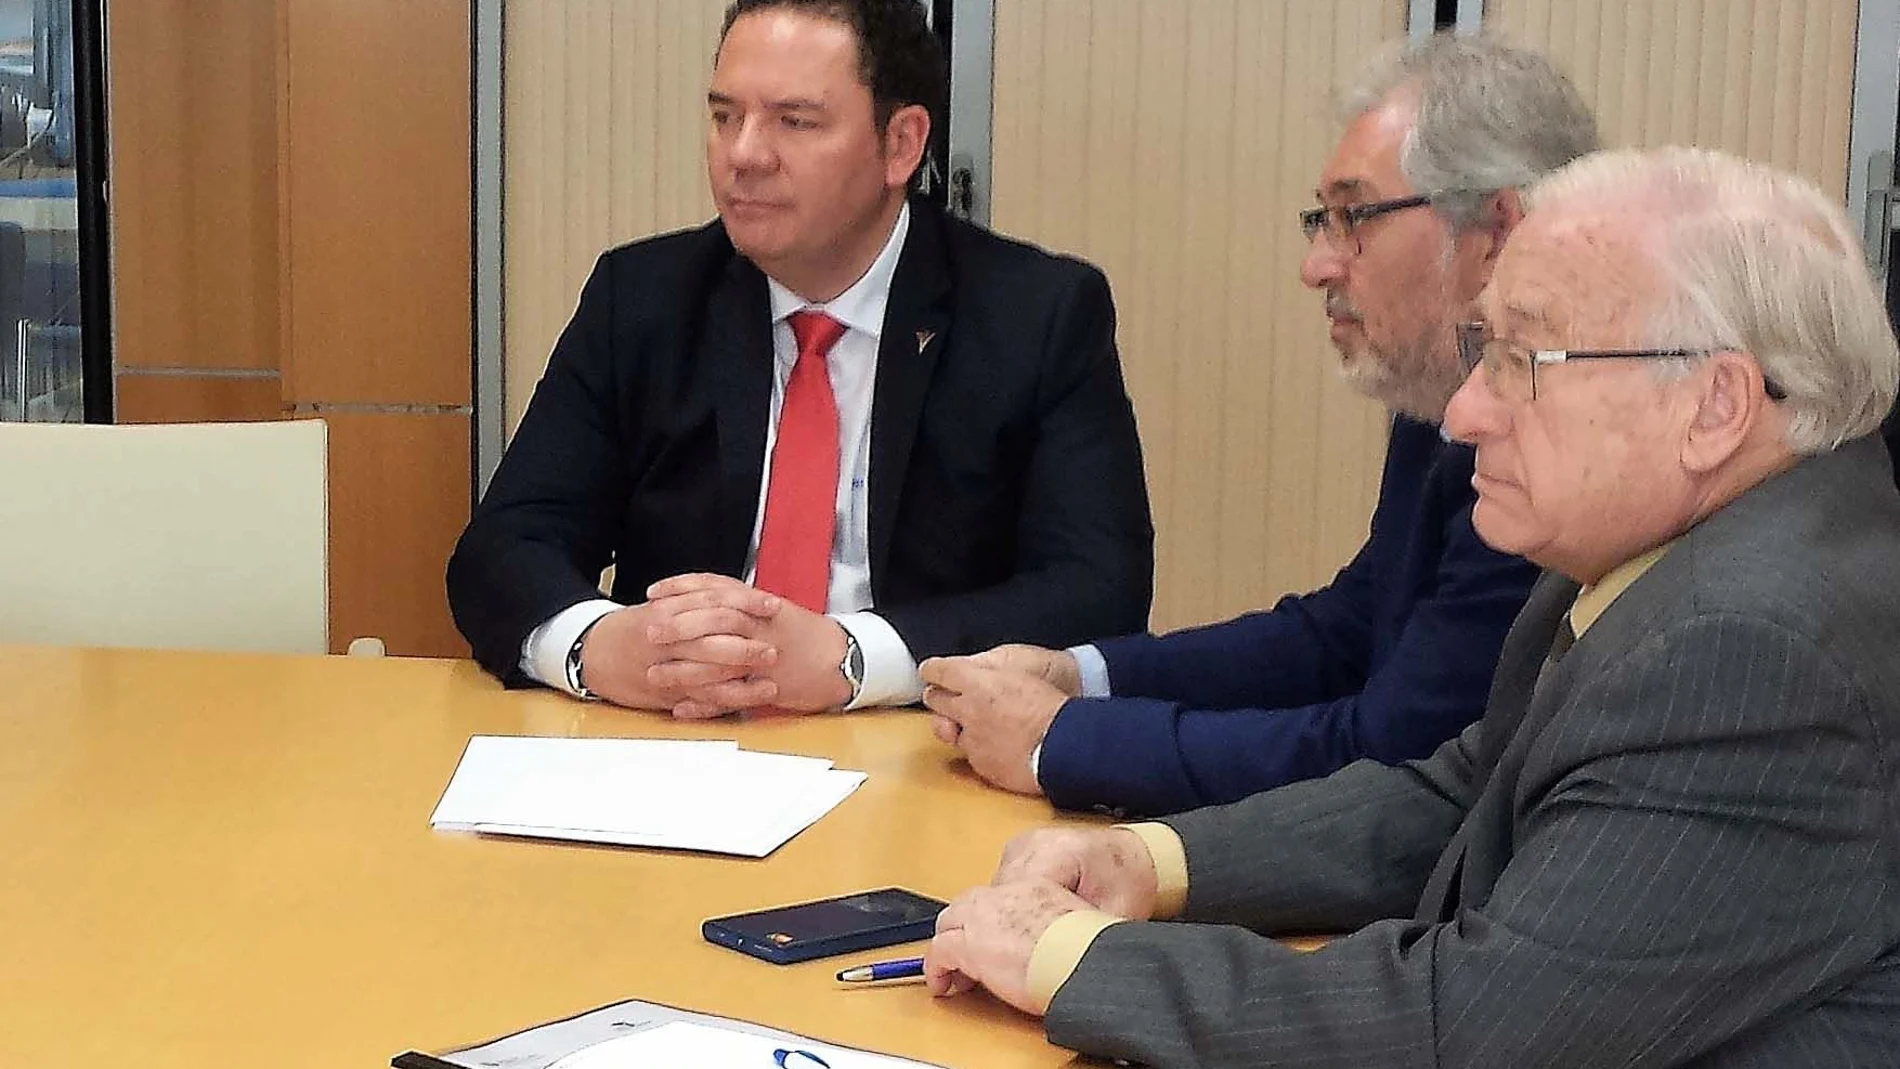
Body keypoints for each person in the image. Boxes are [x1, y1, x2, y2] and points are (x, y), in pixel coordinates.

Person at [922, 145, 1900, 1068]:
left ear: (1713, 406)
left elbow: (1471, 1029)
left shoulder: (1752, 649)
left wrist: (1074, 959)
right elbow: (1469, 795)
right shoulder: (1672, 545)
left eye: (1523, 361)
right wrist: (1154, 859)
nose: (1467, 411)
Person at [920, 36, 1592, 816]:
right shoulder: (1441, 395)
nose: (1318, 265)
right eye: (1323, 220)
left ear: (1496, 230)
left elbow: (1391, 754)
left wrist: (1062, 739)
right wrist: (1084, 676)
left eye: (1354, 218)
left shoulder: (1549, 440)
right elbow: (1345, 632)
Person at [447, 0, 1153, 717]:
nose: (744, 154)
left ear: (902, 144)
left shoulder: (1037, 313)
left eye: (795, 121)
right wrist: (594, 646)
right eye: (725, 117)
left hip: (921, 748)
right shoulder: (644, 300)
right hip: (674, 746)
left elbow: (1099, 586)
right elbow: (502, 547)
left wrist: (854, 658)